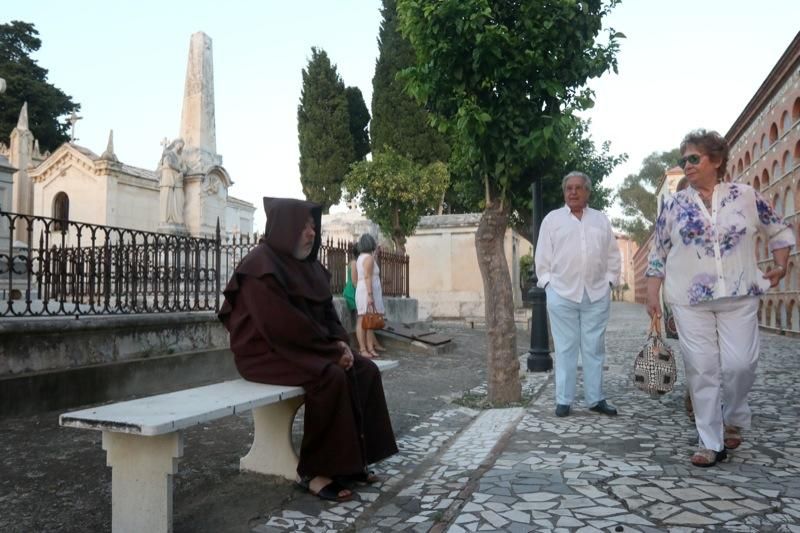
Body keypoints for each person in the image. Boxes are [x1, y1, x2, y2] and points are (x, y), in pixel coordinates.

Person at [218, 197, 398, 501]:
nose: (312, 233)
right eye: (303, 227)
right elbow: (281, 326)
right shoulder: (259, 265)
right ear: (284, 228)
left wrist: (341, 343)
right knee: (330, 376)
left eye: (313, 226)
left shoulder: (309, 266)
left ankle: (353, 461)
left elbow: (327, 314)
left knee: (364, 369)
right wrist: (331, 353)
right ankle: (314, 471)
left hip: (305, 347)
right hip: (264, 353)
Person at [646, 129, 794, 467]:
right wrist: (653, 292)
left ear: (715, 160)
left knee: (741, 364)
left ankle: (735, 415)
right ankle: (710, 441)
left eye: (693, 158)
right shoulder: (674, 204)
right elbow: (659, 251)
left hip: (740, 293)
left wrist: (782, 265)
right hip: (688, 298)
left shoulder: (745, 196)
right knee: (702, 369)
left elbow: (779, 229)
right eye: (683, 160)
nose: (687, 165)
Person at [535, 171, 622, 418]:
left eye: (578, 188)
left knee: (594, 348)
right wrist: (548, 285)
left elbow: (613, 255)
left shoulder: (600, 220)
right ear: (564, 193)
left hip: (596, 293)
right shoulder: (552, 220)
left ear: (587, 192)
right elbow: (542, 257)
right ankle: (564, 400)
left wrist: (609, 283)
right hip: (561, 293)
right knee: (565, 348)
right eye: (568, 188)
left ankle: (595, 399)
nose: (573, 192)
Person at [355, 234, 387, 358]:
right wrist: (370, 295)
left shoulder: (362, 257)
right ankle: (363, 349)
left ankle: (368, 348)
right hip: (366, 291)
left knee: (367, 320)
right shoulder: (368, 258)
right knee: (364, 319)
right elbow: (368, 276)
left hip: (363, 290)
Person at [158, 138, 186, 225]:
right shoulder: (168, 154)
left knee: (179, 198)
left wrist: (182, 172)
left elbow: (184, 168)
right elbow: (169, 163)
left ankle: (175, 218)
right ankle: (166, 218)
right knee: (167, 197)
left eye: (182, 145)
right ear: (175, 143)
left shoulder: (180, 157)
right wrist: (179, 169)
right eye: (180, 144)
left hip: (177, 179)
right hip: (168, 177)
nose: (180, 147)